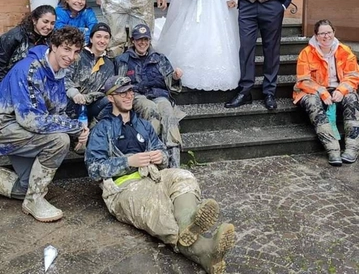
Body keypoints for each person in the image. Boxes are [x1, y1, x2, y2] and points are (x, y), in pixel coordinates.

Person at [85, 75, 235, 274]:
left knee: (183, 176)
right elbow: (94, 169)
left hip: (153, 175)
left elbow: (162, 152)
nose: (128, 96)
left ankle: (188, 221)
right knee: (159, 212)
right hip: (124, 188)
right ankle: (205, 252)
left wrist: (160, 157)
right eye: (122, 93)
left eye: (130, 91)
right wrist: (128, 162)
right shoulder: (102, 129)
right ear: (111, 98)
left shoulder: (143, 125)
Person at [0, 26, 89, 222]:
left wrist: (78, 133)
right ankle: (34, 200)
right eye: (67, 49)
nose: (71, 56)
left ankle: (27, 192)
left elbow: (56, 112)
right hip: (6, 124)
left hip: (21, 128)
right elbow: (30, 119)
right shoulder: (29, 69)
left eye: (76, 51)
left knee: (26, 185)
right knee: (58, 141)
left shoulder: (58, 73)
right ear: (54, 46)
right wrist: (74, 127)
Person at [114, 24, 185, 168]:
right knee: (150, 109)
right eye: (139, 39)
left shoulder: (159, 58)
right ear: (132, 40)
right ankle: (152, 156)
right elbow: (117, 85)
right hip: (136, 96)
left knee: (168, 112)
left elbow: (172, 85)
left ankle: (174, 159)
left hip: (159, 95)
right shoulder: (122, 60)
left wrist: (176, 77)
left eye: (145, 39)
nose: (142, 43)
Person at [293, 19, 359, 166]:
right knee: (312, 102)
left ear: (333, 33)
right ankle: (332, 149)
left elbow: (354, 75)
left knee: (352, 98)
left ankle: (352, 148)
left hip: (337, 89)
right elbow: (303, 80)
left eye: (329, 32)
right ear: (316, 35)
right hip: (313, 91)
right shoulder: (306, 53)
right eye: (322, 33)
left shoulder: (344, 50)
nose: (326, 36)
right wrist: (321, 90)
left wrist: (342, 90)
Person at [65, 22, 115, 124]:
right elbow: (64, 77)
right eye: (98, 36)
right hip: (69, 103)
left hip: (91, 106)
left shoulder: (109, 64)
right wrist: (74, 93)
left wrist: (90, 97)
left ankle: (95, 129)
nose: (102, 41)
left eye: (106, 37)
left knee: (110, 101)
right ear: (91, 39)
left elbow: (106, 90)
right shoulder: (78, 55)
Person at [0, 4, 56, 82]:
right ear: (34, 20)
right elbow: (1, 64)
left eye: (52, 23)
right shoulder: (15, 36)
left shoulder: (51, 39)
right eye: (45, 22)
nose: (49, 26)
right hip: (11, 81)